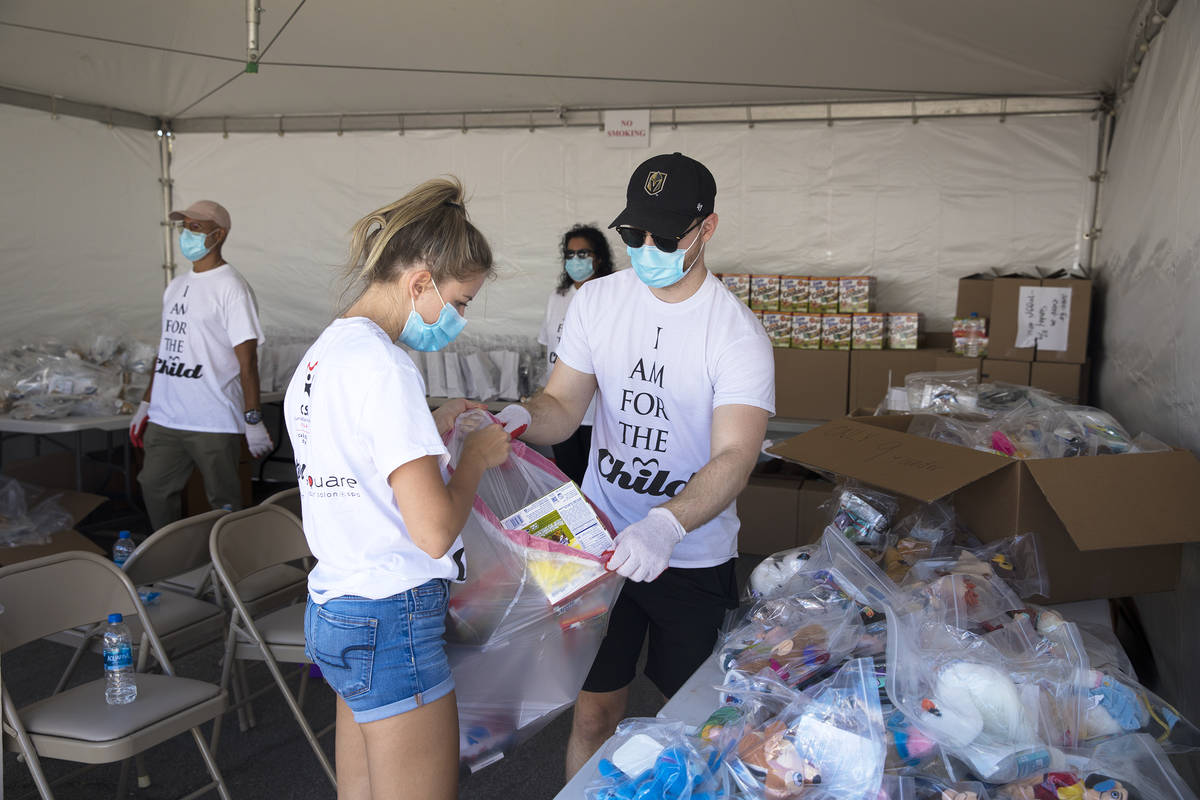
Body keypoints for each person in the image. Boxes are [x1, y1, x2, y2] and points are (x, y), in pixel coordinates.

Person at [494, 152, 775, 779]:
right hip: (600, 547)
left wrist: (666, 525)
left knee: (696, 720)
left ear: (707, 229)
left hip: (691, 555)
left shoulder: (735, 334)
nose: (647, 249)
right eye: (633, 233)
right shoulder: (597, 301)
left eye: (665, 237)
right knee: (593, 712)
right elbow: (563, 406)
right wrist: (516, 417)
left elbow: (736, 455)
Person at [284, 178, 510, 800]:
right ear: (420, 283)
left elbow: (354, 460)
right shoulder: (386, 367)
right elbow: (433, 532)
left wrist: (428, 428)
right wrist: (476, 459)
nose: (458, 319)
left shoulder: (326, 352)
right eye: (459, 301)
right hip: (391, 615)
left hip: (336, 606)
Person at [129, 200, 272, 530]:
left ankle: (226, 558)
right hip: (166, 416)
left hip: (212, 418)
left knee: (223, 501)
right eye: (184, 227)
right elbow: (167, 349)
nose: (186, 235)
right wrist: (146, 403)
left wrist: (252, 419)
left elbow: (248, 361)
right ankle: (169, 554)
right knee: (153, 485)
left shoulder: (232, 287)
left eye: (195, 228)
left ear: (218, 235)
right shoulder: (176, 286)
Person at [536, 224, 614, 485]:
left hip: (599, 411)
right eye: (570, 254)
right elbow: (548, 345)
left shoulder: (611, 297)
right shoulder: (557, 297)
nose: (575, 260)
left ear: (598, 258)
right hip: (559, 407)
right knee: (569, 481)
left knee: (597, 483)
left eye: (583, 254)